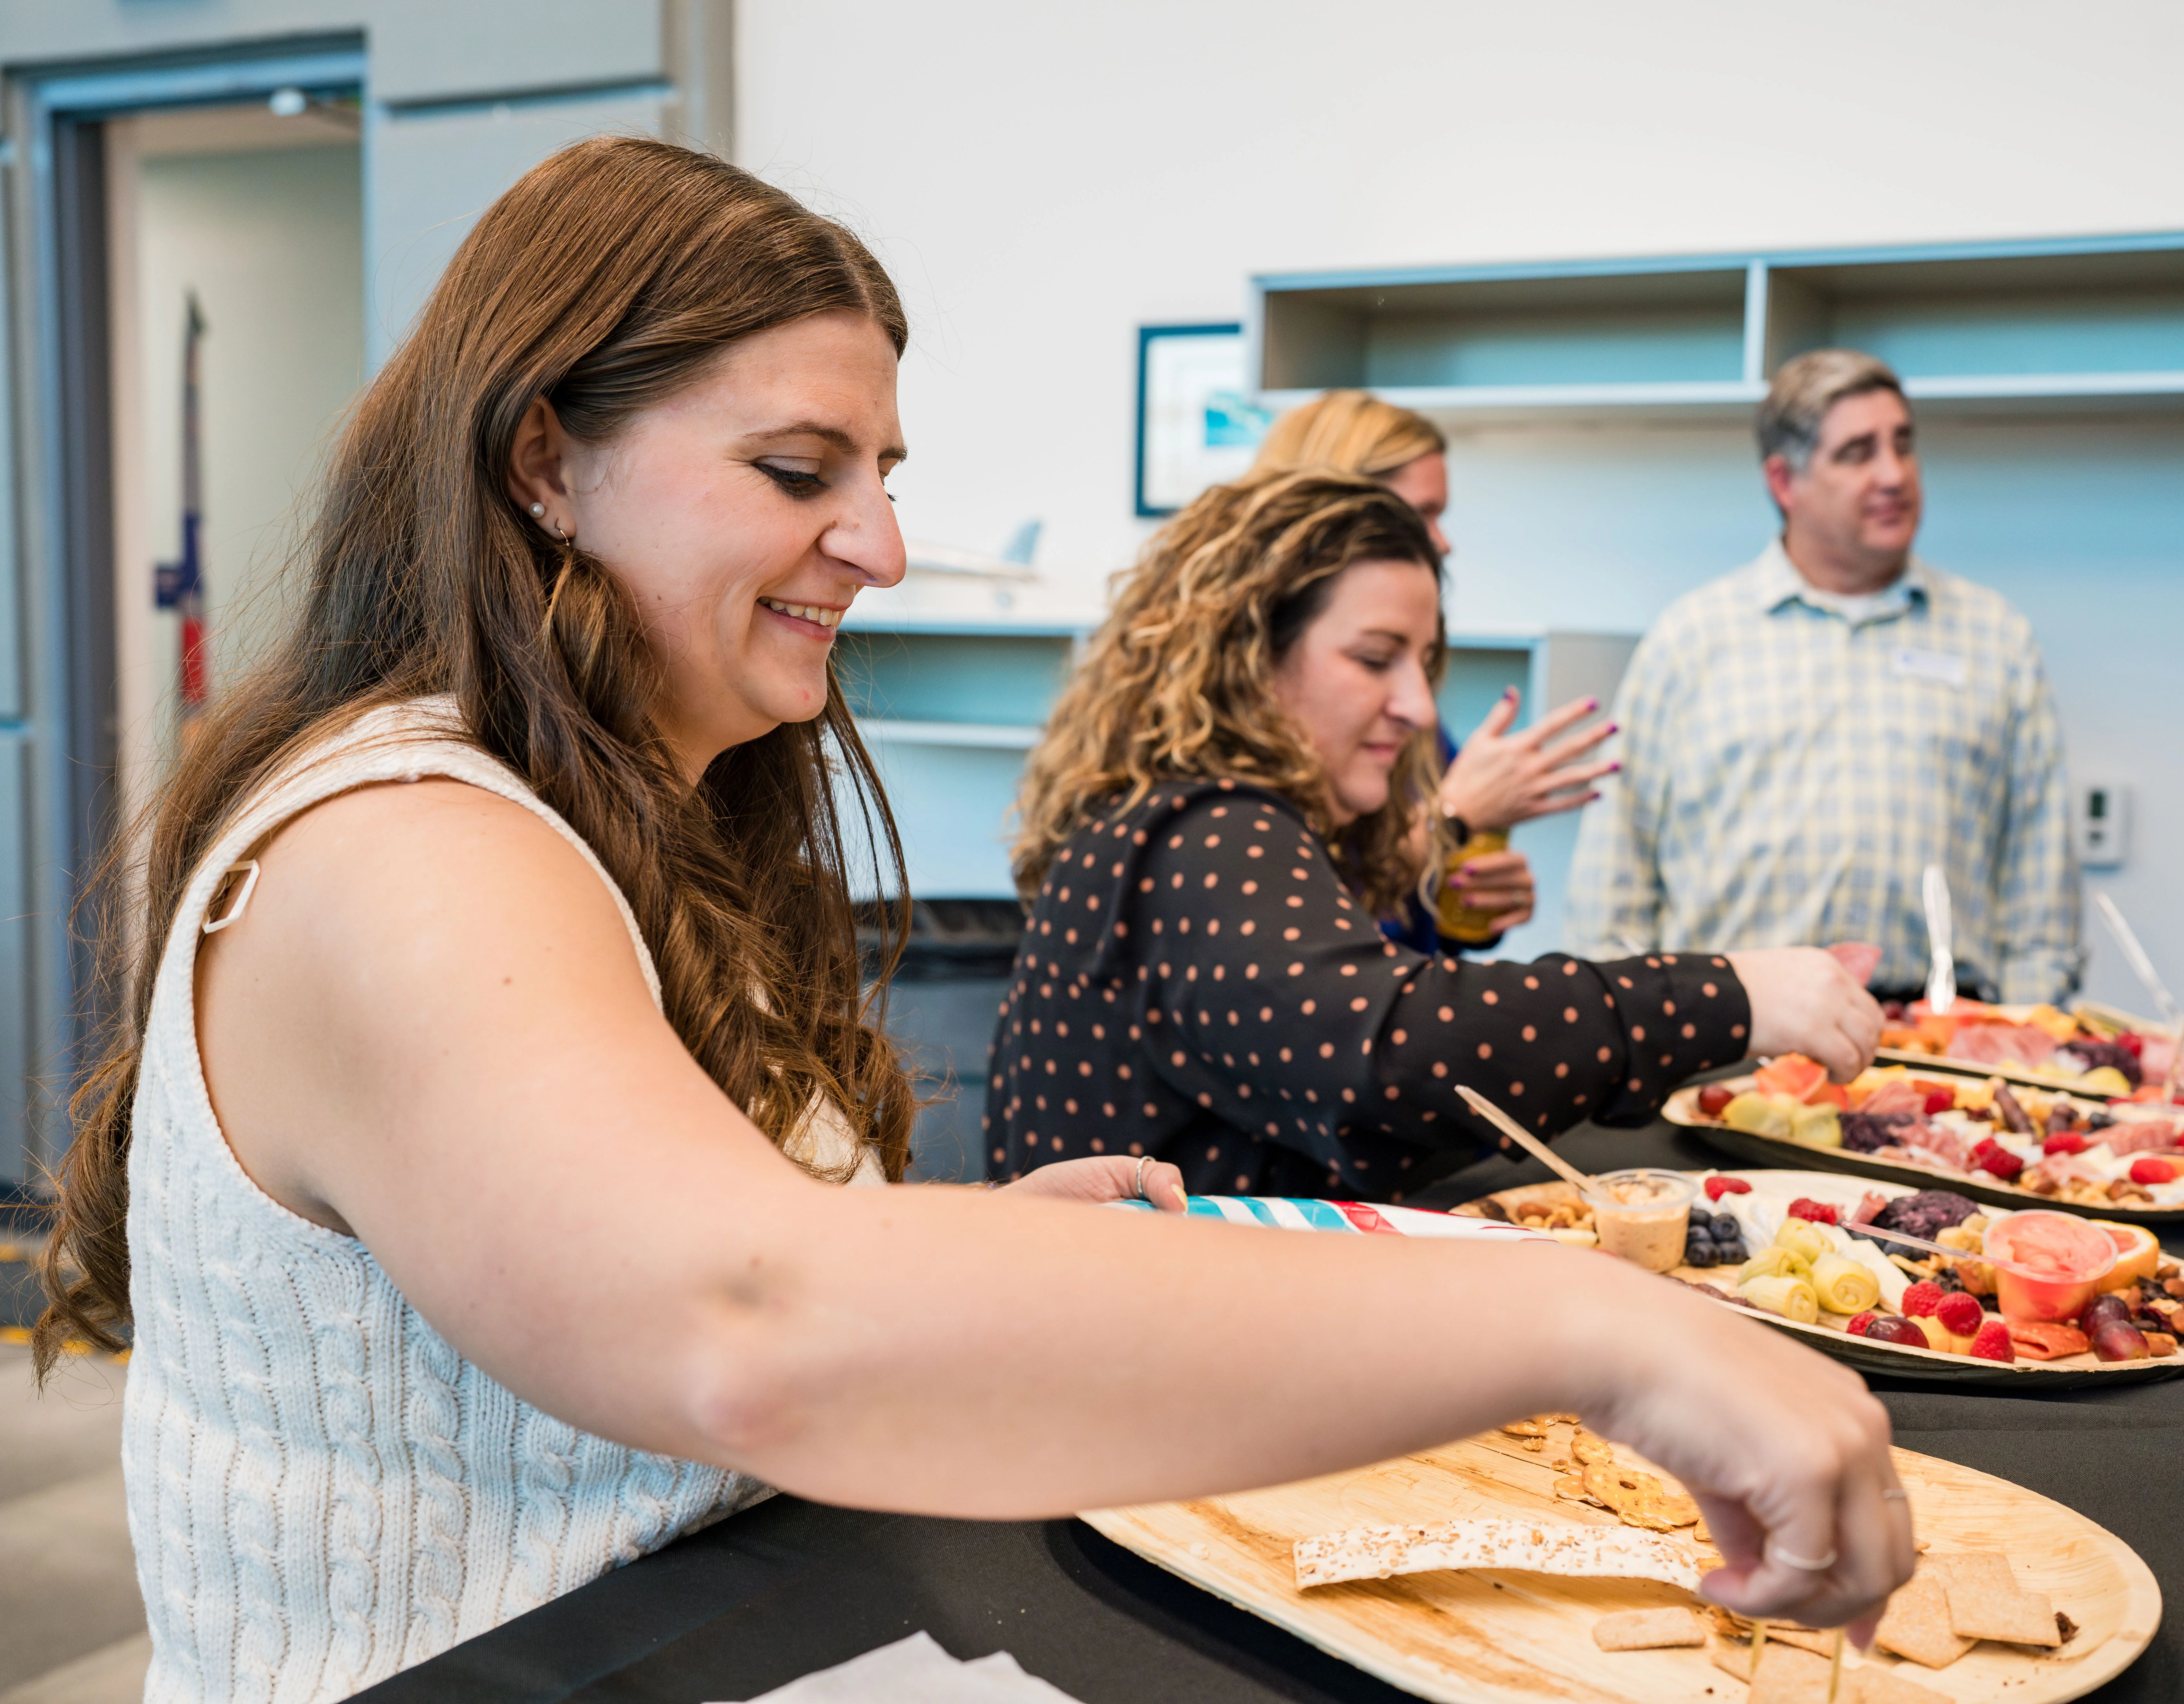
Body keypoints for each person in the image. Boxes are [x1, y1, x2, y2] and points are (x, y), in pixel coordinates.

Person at [31, 139, 1907, 1700]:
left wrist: (950, 1250)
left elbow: (668, 1246)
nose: (880, 543)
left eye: (884, 474)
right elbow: (739, 1322)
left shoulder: (623, 818)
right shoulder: (405, 843)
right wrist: (1584, 1324)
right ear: (544, 460)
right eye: (796, 473)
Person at [987, 466, 1882, 1201]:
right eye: (1376, 660)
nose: (1417, 706)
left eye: (1423, 664)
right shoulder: (1207, 834)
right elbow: (1394, 1050)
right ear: (1247, 658)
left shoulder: (1193, 819)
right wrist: (1721, 994)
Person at [1566, 349, 2080, 1007]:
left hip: (1942, 1053)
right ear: (1785, 483)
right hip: (1731, 1039)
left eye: (1903, 445)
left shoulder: (1994, 639)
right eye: (1857, 453)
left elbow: (2041, 899)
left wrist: (2023, 1039)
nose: (1893, 474)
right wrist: (1629, 1043)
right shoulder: (1692, 640)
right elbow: (1614, 880)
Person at [1251, 389, 1617, 946]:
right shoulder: (1236, 736)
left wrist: (1473, 906)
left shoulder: (1407, 721)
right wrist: (1453, 819)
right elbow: (1289, 919)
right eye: (1422, 515)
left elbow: (1407, 919)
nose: (1443, 544)